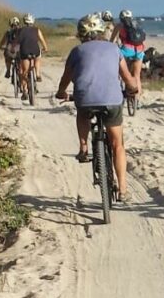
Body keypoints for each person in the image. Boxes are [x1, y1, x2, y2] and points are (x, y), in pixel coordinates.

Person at [55, 13, 141, 201]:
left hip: (85, 99)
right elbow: (127, 78)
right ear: (102, 31)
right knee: (118, 144)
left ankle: (84, 146)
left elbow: (65, 78)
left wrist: (61, 92)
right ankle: (123, 189)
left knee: (82, 112)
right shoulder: (114, 49)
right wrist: (133, 89)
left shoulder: (77, 52)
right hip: (112, 100)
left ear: (81, 34)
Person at [12, 13, 46, 93]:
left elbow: (16, 41)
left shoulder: (20, 30)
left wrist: (13, 48)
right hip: (35, 50)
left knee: (24, 71)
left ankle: (24, 90)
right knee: (37, 58)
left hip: (24, 51)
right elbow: (42, 41)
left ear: (24, 21)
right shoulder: (37, 30)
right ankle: (37, 74)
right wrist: (45, 48)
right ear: (32, 21)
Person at [114, 10, 147, 81]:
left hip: (126, 50)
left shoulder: (119, 25)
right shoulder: (137, 24)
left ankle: (119, 87)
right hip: (139, 50)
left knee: (118, 71)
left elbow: (111, 41)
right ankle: (138, 91)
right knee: (137, 76)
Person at [0, 15, 21, 80]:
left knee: (7, 58)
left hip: (9, 50)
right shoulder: (21, 31)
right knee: (21, 61)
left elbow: (2, 42)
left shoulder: (8, 32)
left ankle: (8, 70)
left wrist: (0, 47)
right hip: (19, 51)